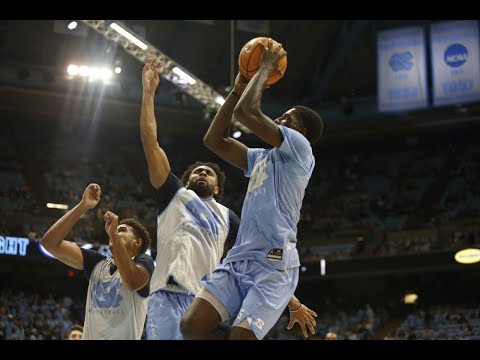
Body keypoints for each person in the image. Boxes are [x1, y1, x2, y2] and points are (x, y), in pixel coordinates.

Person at [181, 38, 323, 340]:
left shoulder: (301, 149)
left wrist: (265, 69)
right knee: (191, 325)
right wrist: (235, 90)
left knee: (241, 337)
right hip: (239, 259)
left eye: (286, 118)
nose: (278, 120)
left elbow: (248, 113)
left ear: (301, 131)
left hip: (273, 264)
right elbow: (214, 140)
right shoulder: (262, 157)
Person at [140, 58, 240, 340]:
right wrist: (148, 94)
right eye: (198, 171)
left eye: (209, 173)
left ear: (217, 188)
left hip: (204, 304)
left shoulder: (228, 216)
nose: (203, 173)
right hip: (166, 296)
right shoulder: (174, 194)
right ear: (186, 181)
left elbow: (249, 255)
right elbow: (151, 143)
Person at [41, 183, 155, 340]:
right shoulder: (97, 263)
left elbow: (133, 282)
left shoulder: (144, 261)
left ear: (137, 243)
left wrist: (114, 234)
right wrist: (83, 206)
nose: (114, 232)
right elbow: (49, 243)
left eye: (122, 230)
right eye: (116, 230)